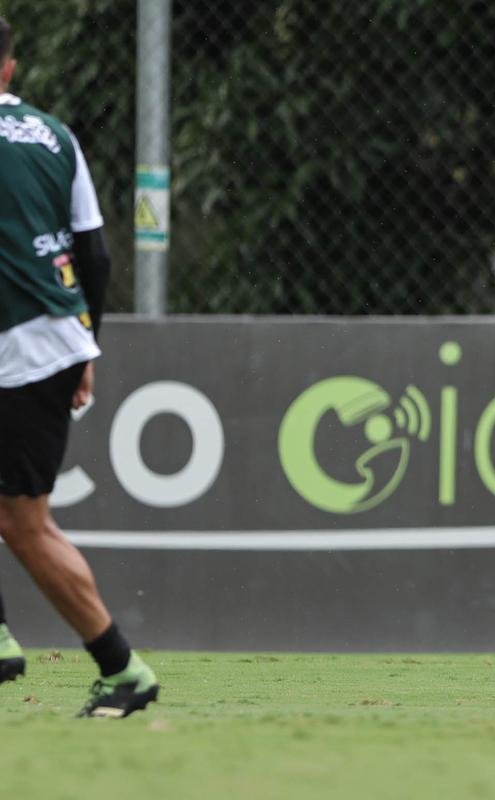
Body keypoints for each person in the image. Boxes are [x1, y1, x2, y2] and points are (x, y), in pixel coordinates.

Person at [0, 16, 158, 717]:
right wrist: (87, 347)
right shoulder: (53, 134)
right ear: (9, 68)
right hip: (55, 340)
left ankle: (122, 669)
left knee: (26, 525)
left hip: (17, 350)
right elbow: (92, 254)